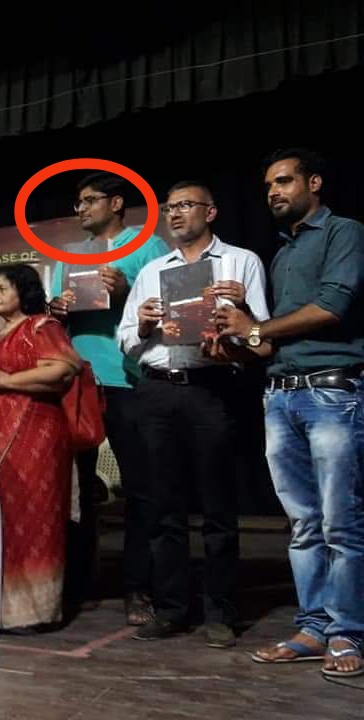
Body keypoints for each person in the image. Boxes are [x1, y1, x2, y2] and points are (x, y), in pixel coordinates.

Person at [215, 149, 364, 677]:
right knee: (303, 525)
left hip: (332, 394)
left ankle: (348, 633)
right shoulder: (281, 253)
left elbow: (331, 307)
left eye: (283, 181)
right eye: (268, 186)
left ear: (314, 183)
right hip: (280, 395)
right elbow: (269, 343)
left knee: (341, 524)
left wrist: (254, 327)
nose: (273, 192)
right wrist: (232, 335)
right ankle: (314, 628)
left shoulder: (344, 232)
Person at [118, 181, 270, 647]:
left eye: (185, 205)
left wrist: (239, 313)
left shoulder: (240, 262)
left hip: (211, 388)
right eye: (170, 208)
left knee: (218, 507)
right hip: (157, 389)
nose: (176, 214)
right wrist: (144, 325)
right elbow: (126, 339)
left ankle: (220, 612)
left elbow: (261, 336)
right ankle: (171, 608)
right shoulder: (152, 271)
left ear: (211, 211)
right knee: (163, 505)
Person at [49, 171, 171, 623]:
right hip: (79, 380)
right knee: (77, 490)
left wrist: (125, 293)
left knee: (140, 487)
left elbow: (170, 309)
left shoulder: (148, 245)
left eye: (89, 200)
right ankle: (79, 584)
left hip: (128, 378)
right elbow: (57, 319)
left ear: (116, 203)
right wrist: (57, 309)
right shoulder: (69, 254)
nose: (81, 209)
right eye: (78, 203)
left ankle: (139, 587)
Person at [0, 263, 80, 629]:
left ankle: (34, 613)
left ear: (23, 291)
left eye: (3, 288)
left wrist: (7, 379)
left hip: (34, 437)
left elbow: (63, 369)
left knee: (33, 517)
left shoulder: (41, 326)